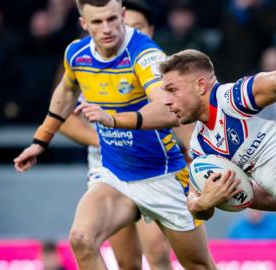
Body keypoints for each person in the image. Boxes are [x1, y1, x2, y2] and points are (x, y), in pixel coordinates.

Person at [88, 49, 276, 269]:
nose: (167, 100)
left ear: (201, 85)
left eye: (173, 90)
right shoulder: (201, 145)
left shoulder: (232, 99)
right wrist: (204, 203)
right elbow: (195, 201)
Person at [13, 1, 216, 269]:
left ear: (122, 15)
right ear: (84, 23)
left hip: (162, 175)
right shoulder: (76, 53)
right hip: (114, 174)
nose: (107, 28)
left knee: (195, 264)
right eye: (97, 22)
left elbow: (170, 109)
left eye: (112, 19)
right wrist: (40, 140)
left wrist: (113, 120)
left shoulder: (145, 54)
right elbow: (66, 91)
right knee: (81, 239)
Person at [57, 0, 174, 269]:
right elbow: (62, 118)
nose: (113, 30)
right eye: (101, 22)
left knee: (156, 250)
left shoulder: (156, 64)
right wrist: (105, 140)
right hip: (108, 170)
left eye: (137, 27)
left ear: (150, 30)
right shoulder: (84, 61)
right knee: (126, 261)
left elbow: (178, 114)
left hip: (152, 168)